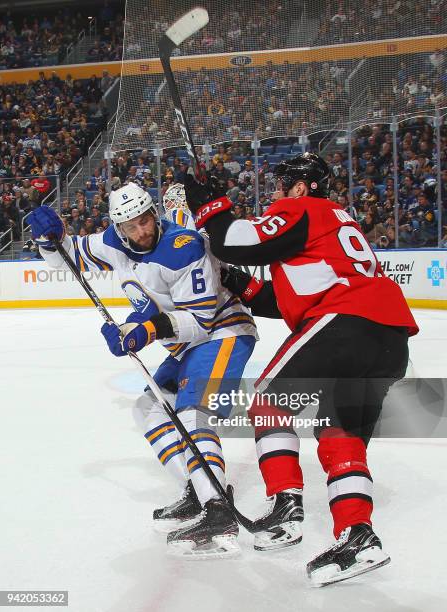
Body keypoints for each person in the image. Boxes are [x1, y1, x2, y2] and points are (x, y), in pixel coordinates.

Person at [184, 153, 418, 585]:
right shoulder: (335, 224)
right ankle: (358, 536)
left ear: (301, 187)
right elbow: (295, 296)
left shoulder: (304, 209)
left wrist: (211, 205)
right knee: (339, 434)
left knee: (268, 403)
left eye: (281, 185)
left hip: (346, 323)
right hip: (389, 340)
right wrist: (246, 286)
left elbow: (233, 240)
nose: (274, 193)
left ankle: (286, 507)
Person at [28, 182, 257, 558]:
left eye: (145, 220)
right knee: (148, 410)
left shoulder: (183, 247)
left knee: (191, 411)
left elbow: (200, 320)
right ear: (119, 229)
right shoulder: (114, 243)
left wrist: (142, 331)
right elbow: (67, 257)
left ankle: (217, 508)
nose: (142, 231)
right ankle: (196, 490)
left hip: (221, 332)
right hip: (184, 343)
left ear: (155, 213)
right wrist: (49, 241)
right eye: (131, 226)